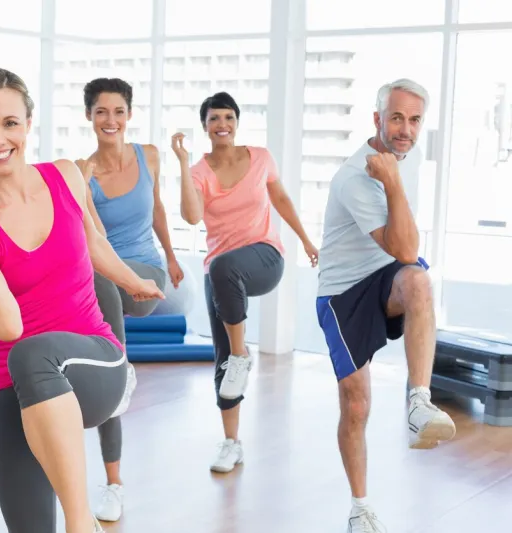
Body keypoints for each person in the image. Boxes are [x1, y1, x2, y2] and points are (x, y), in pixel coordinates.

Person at [0, 67, 164, 533]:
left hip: (93, 363)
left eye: (10, 122)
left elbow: (93, 240)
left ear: (28, 123)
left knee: (34, 354)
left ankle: (81, 524)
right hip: (13, 383)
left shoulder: (66, 175)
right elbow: (6, 326)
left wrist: (132, 279)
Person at [315, 79, 456, 533]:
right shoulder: (357, 175)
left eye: (415, 120)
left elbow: (408, 259)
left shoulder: (400, 161)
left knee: (418, 282)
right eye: (396, 117)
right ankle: (360, 507)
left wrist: (395, 179)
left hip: (383, 276)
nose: (406, 129)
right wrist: (392, 182)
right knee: (356, 404)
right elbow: (405, 247)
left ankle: (418, 404)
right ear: (376, 119)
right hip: (342, 294)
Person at [171, 91, 319, 474]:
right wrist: (184, 165)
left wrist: (304, 239)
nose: (222, 124)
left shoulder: (261, 158)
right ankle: (231, 443)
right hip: (220, 271)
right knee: (221, 361)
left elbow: (281, 198)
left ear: (237, 123)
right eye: (214, 118)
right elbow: (190, 216)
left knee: (224, 270)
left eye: (228, 117)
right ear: (205, 126)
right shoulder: (199, 172)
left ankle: (242, 355)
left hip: (265, 257)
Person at [74, 77, 184, 523]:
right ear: (89, 117)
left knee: (107, 299)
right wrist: (82, 188)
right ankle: (114, 483)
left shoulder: (149, 156)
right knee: (107, 384)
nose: (110, 120)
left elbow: (157, 208)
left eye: (118, 111)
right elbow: (92, 237)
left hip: (147, 273)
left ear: (129, 115)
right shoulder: (84, 171)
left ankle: (117, 364)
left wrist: (173, 257)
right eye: (101, 111)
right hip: (107, 273)